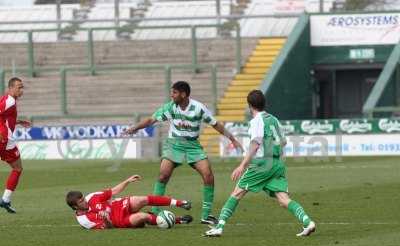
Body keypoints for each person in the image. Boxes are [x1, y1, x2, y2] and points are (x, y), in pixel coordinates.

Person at [123, 81, 243, 224]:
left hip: (193, 145)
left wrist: (233, 140)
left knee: (208, 176)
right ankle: (155, 211)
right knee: (163, 175)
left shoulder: (199, 108)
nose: (171, 95)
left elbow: (215, 124)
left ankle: (206, 215)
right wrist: (134, 128)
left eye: (174, 92)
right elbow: (151, 119)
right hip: (174, 144)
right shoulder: (171, 107)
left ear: (183, 94)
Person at [205, 90, 316, 237]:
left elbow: (256, 143)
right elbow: (283, 142)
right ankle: (308, 222)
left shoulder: (256, 121)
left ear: (250, 105)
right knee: (283, 199)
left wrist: (242, 165)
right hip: (276, 163)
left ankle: (219, 227)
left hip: (262, 164)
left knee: (237, 193)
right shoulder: (274, 119)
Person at [66, 175, 193, 229]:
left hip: (120, 205)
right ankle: (178, 220)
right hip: (119, 221)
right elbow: (109, 227)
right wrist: (106, 220)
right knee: (143, 216)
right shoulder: (84, 220)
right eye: (81, 201)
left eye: (83, 198)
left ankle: (180, 203)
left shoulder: (92, 197)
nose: (85, 201)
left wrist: (127, 181)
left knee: (141, 199)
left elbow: (113, 191)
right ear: (75, 206)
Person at [0, 77, 31, 213]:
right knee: (17, 168)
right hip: (4, 140)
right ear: (11, 88)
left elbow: (4, 117)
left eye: (22, 87)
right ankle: (5, 200)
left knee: (17, 168)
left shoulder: (8, 99)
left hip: (5, 138)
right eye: (19, 87)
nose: (21, 90)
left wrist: (17, 121)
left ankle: (6, 200)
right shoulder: (9, 101)